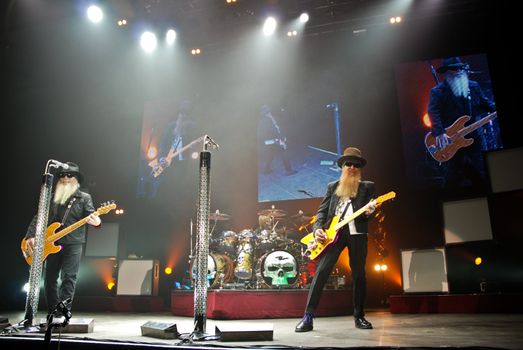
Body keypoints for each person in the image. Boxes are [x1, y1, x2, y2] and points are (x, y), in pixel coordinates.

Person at [295, 147, 376, 332]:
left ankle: (359, 316)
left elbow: (366, 215)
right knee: (321, 272)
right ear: (343, 166)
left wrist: (370, 212)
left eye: (356, 164)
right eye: (349, 164)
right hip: (333, 236)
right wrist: (317, 230)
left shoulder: (367, 187)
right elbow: (322, 211)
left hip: (357, 234)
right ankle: (308, 317)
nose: (352, 167)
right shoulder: (333, 186)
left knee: (358, 275)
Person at [24, 162, 101, 317]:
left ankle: (63, 313)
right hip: (51, 243)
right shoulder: (52, 198)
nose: (65, 178)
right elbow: (39, 217)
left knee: (69, 277)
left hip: (73, 243)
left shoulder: (85, 198)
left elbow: (92, 215)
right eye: (62, 175)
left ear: (76, 179)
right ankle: (54, 311)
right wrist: (30, 236)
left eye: (70, 175)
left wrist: (97, 222)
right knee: (49, 278)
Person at [427, 56, 497, 188]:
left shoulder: (474, 86)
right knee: (452, 177)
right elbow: (433, 112)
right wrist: (440, 132)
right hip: (451, 139)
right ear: (446, 72)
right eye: (454, 68)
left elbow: (486, 104)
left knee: (483, 170)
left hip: (475, 136)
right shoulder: (438, 91)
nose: (459, 70)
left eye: (461, 67)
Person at [138, 100, 196, 198]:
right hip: (167, 162)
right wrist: (160, 159)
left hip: (179, 164)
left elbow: (189, 147)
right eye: (179, 118)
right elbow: (163, 143)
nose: (180, 122)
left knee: (175, 187)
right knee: (158, 184)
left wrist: (191, 146)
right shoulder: (171, 127)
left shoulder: (191, 126)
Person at [258, 105, 297, 176]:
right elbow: (273, 130)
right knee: (284, 151)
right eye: (269, 112)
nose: (270, 113)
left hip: (268, 141)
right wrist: (281, 138)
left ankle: (267, 170)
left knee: (270, 154)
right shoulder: (268, 120)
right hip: (274, 139)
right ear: (267, 113)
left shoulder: (262, 121)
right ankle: (288, 170)